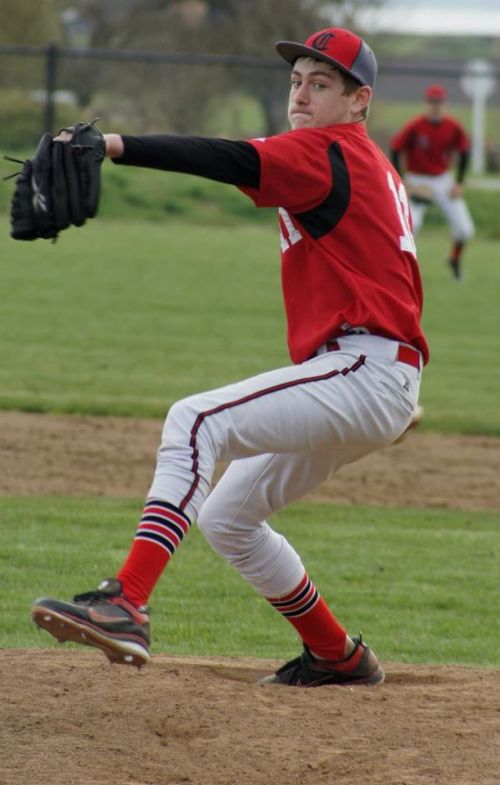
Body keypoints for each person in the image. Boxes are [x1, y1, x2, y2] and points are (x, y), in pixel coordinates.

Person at [32, 26, 428, 688]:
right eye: (297, 80)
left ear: (360, 101)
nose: (301, 93)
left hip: (363, 370)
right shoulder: (367, 164)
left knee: (194, 420)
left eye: (321, 83)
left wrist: (116, 146)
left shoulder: (329, 151)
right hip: (371, 375)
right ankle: (337, 653)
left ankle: (126, 601)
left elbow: (229, 158)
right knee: (229, 517)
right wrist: (400, 393)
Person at [390, 84, 474, 280]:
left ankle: (454, 258)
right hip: (418, 179)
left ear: (445, 104)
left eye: (439, 102)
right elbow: (395, 149)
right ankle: (404, 272)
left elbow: (464, 152)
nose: (435, 106)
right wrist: (403, 181)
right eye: (432, 102)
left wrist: (459, 182)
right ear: (426, 103)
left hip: (443, 180)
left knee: (465, 229)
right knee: (411, 228)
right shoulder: (415, 126)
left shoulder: (452, 126)